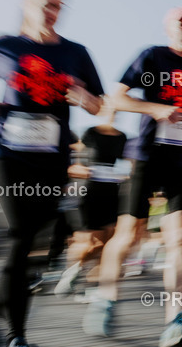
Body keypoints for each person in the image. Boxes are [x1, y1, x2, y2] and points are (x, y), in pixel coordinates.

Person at [0, 0, 103, 347]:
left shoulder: (75, 53)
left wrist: (83, 97)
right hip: (6, 156)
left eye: (58, 6)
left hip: (51, 160)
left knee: (33, 245)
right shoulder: (4, 45)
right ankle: (17, 342)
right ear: (27, 5)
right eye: (46, 4)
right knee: (19, 236)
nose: (51, 12)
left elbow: (99, 104)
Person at [88, 7, 182, 347]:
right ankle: (105, 298)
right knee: (128, 234)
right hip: (147, 156)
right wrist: (156, 109)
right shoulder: (152, 56)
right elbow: (116, 98)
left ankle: (174, 321)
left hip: (179, 160)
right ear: (169, 28)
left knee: (179, 238)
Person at [54, 102, 127, 298]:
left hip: (112, 191)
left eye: (116, 111)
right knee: (92, 243)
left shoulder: (122, 136)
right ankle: (73, 271)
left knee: (110, 242)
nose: (113, 114)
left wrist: (129, 176)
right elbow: (79, 159)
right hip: (90, 191)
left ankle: (94, 287)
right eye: (110, 110)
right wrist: (76, 169)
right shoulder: (90, 132)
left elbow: (127, 161)